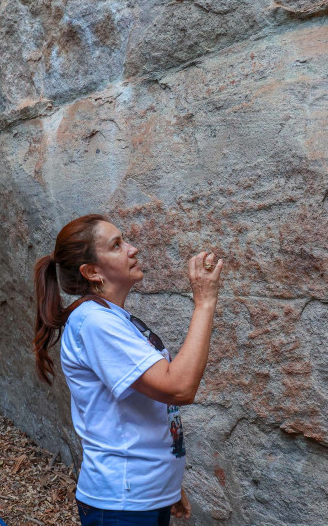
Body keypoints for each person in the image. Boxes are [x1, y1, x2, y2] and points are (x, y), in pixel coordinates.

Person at [33, 214, 224, 525]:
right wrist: (204, 302)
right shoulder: (96, 323)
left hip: (143, 495)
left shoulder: (115, 319)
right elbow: (179, 388)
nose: (133, 249)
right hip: (121, 504)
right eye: (117, 245)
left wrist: (166, 485)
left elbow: (142, 410)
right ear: (92, 271)